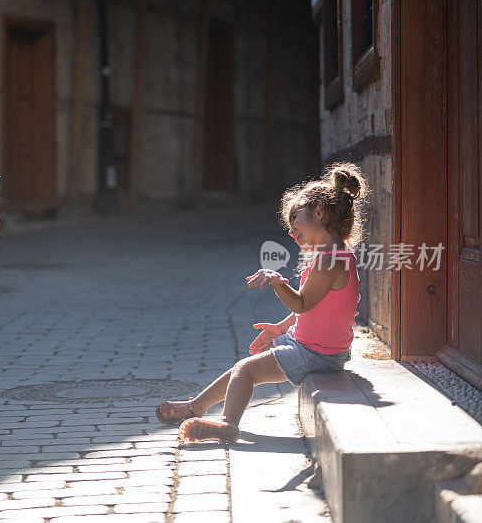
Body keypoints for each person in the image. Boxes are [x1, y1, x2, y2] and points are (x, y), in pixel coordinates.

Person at [155, 163, 366, 443]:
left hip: (316, 353)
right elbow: (317, 306)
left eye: (295, 218)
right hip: (318, 347)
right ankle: (196, 407)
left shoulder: (329, 261)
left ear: (319, 212)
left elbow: (302, 304)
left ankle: (228, 425)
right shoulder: (335, 256)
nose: (291, 230)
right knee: (241, 369)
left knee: (245, 370)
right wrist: (280, 328)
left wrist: (278, 282)